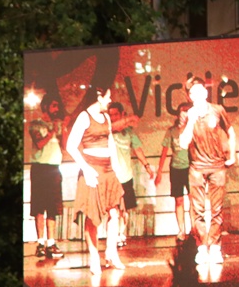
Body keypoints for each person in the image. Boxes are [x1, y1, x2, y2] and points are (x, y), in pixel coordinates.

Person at [65, 85, 125, 276]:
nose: (109, 100)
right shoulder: (84, 117)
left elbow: (111, 144)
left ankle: (111, 253)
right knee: (93, 217)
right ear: (98, 98)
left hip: (108, 170)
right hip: (92, 169)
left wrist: (115, 168)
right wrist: (86, 168)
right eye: (107, 97)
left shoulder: (106, 117)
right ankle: (94, 257)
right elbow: (70, 146)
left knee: (114, 214)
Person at [178, 77, 236, 266]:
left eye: (199, 90)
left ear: (205, 91)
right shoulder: (187, 115)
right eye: (192, 92)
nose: (196, 95)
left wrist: (232, 155)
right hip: (196, 167)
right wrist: (190, 121)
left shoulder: (217, 110)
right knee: (198, 210)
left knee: (217, 209)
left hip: (217, 166)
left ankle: (215, 247)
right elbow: (183, 143)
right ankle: (202, 247)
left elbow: (231, 131)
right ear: (189, 96)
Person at [107, 101, 157, 241]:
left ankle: (121, 234)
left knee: (125, 209)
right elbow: (113, 127)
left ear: (122, 113)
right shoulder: (107, 130)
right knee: (113, 209)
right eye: (110, 115)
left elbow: (138, 149)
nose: (113, 117)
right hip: (111, 176)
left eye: (116, 114)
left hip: (126, 176)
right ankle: (113, 236)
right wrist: (128, 119)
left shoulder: (129, 133)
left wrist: (147, 166)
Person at [28, 95, 66, 259]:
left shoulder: (56, 124)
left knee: (53, 207)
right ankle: (40, 243)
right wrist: (51, 131)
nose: (57, 109)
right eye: (54, 106)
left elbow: (63, 146)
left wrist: (63, 130)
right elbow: (39, 143)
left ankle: (51, 243)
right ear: (45, 107)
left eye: (58, 106)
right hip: (40, 168)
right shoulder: (36, 124)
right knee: (39, 207)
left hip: (54, 168)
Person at [157, 103, 194, 240]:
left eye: (187, 112)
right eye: (182, 112)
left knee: (192, 199)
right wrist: (159, 171)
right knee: (179, 200)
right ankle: (181, 230)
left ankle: (194, 228)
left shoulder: (192, 129)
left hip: (190, 168)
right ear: (178, 114)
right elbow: (164, 151)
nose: (184, 115)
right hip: (176, 169)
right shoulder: (171, 131)